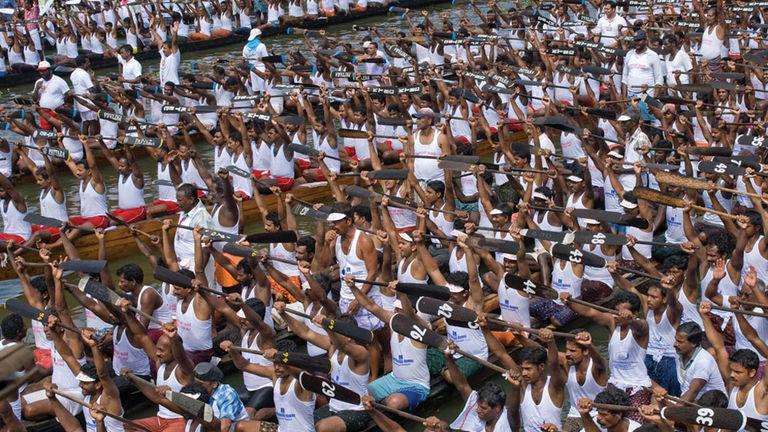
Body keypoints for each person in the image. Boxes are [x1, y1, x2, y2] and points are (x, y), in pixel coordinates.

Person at [32, 60, 70, 130]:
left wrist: (63, 104)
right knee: (47, 134)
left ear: (50, 70)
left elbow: (68, 95)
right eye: (40, 71)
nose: (41, 73)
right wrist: (37, 88)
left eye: (43, 71)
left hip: (57, 112)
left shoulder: (59, 80)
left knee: (62, 132)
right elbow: (34, 99)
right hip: (44, 113)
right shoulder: (38, 82)